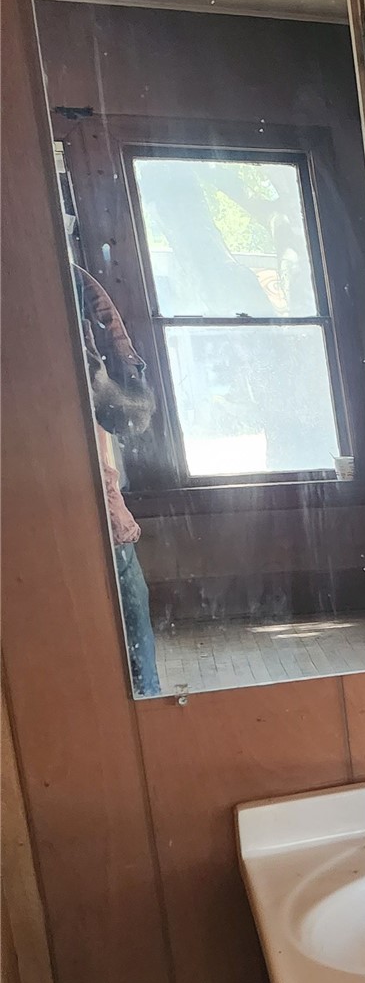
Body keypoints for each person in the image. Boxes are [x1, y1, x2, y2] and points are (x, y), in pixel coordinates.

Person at [73, 265, 162, 696]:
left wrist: (101, 388)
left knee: (134, 676)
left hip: (97, 512)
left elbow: (138, 412)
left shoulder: (74, 285)